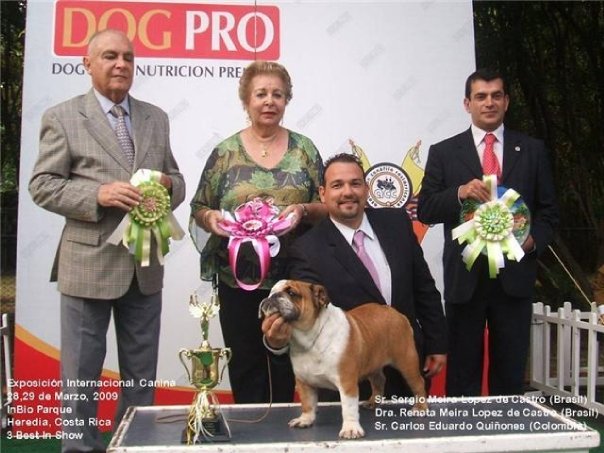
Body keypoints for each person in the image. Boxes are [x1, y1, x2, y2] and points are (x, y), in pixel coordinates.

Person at [29, 29, 185, 452]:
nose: (121, 64)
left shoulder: (156, 117)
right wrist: (97, 194)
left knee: (141, 376)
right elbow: (42, 185)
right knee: (81, 375)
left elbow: (177, 180)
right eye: (110, 56)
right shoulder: (63, 116)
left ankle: (132, 444)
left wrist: (167, 186)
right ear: (88, 63)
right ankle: (80, 448)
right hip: (87, 265)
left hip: (144, 265)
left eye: (128, 57)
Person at [190, 60, 327, 404]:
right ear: (246, 101)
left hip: (293, 280)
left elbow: (327, 207)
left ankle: (285, 426)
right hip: (237, 280)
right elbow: (199, 207)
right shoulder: (224, 153)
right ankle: (250, 427)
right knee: (246, 362)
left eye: (277, 95)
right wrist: (212, 219)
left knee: (288, 362)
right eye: (261, 94)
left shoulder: (305, 150)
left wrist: (303, 210)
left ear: (286, 100)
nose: (269, 101)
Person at [417, 68, 559, 396]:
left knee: (510, 375)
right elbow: (426, 209)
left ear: (506, 101)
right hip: (464, 279)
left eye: (496, 96)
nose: (489, 103)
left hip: (515, 276)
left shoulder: (533, 150)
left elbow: (549, 211)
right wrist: (459, 193)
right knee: (462, 376)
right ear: (467, 104)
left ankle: (504, 426)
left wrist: (532, 240)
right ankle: (464, 428)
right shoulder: (444, 152)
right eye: (481, 96)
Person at [263, 153, 447, 398]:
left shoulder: (397, 223)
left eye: (355, 183)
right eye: (337, 185)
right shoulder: (307, 250)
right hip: (349, 385)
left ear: (367, 189)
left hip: (406, 368)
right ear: (322, 194)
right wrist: (276, 342)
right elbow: (303, 314)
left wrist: (437, 343)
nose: (348, 192)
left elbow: (424, 288)